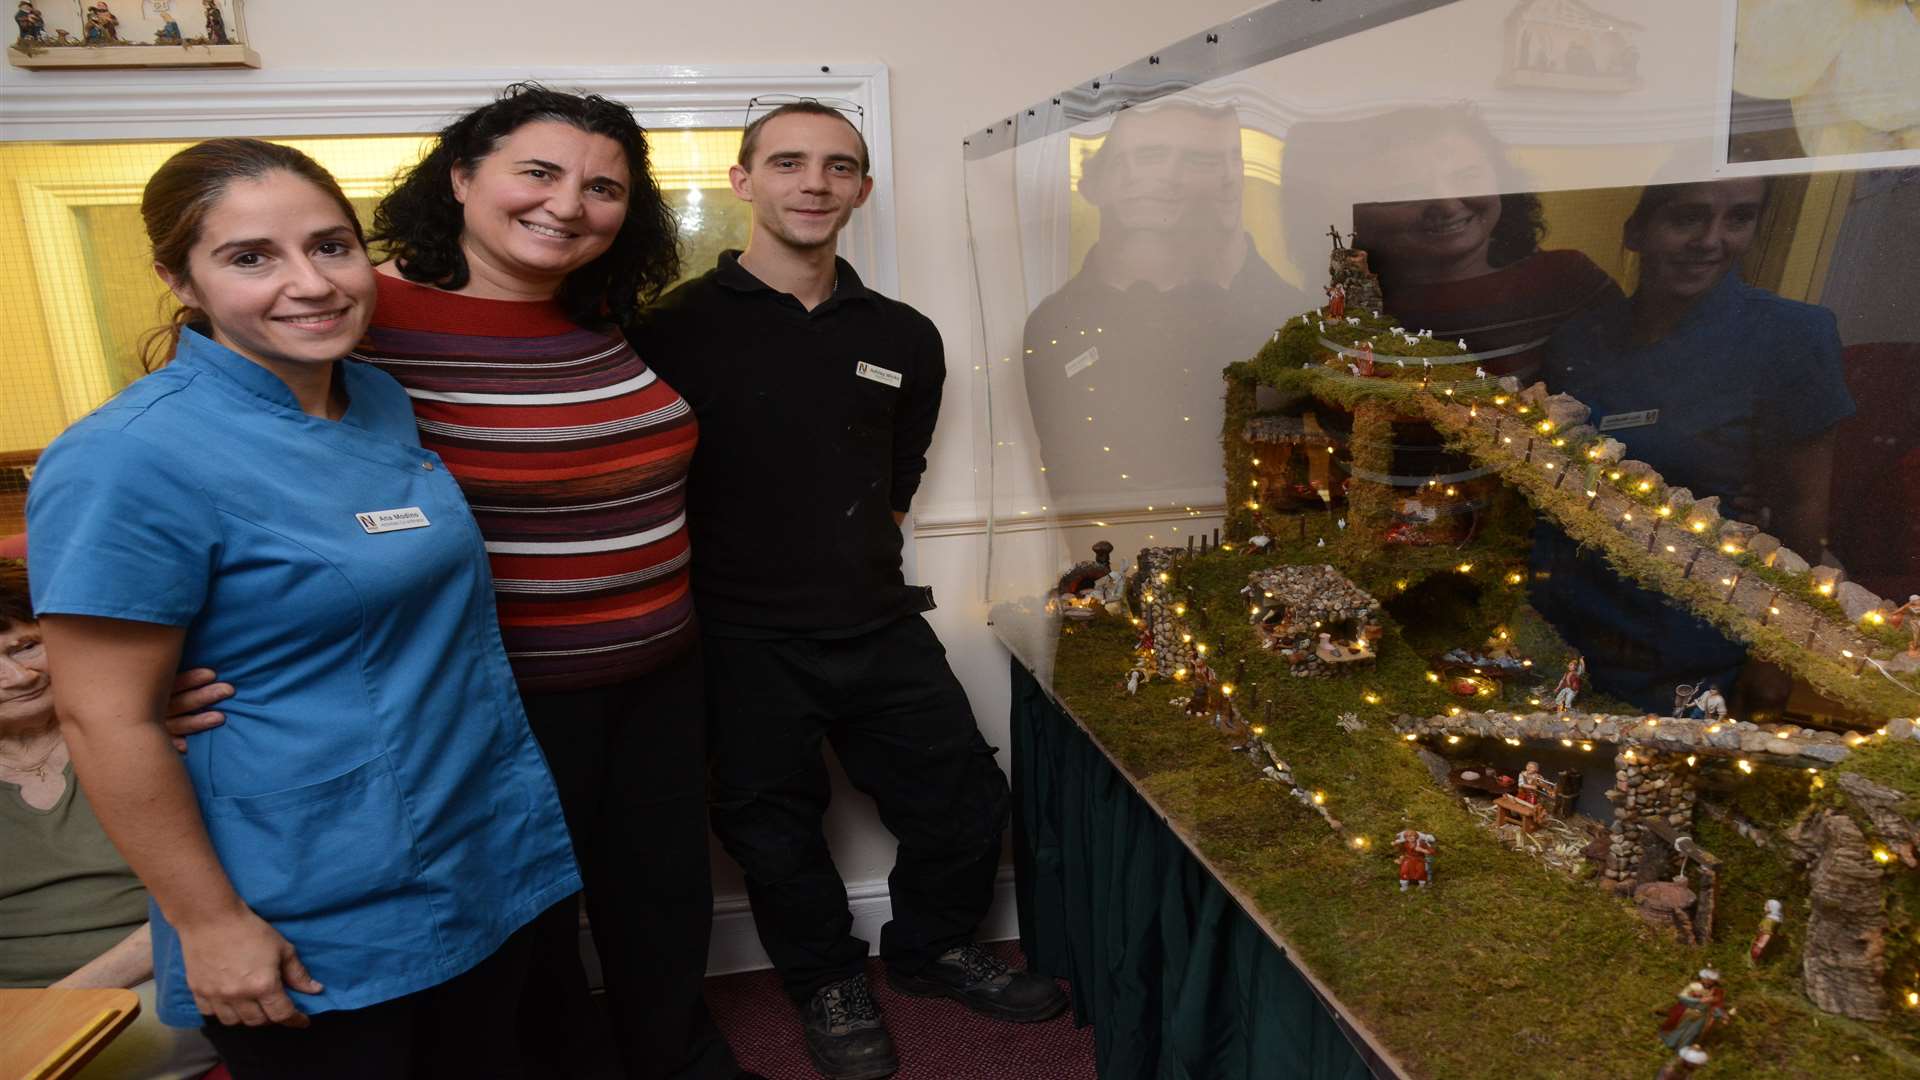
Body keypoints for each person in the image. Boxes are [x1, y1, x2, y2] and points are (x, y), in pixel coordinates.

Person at [171, 84, 750, 1080]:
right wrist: (164, 666)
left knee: (660, 897)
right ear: (462, 179)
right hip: (497, 693)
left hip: (658, 670)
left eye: (603, 187)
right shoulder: (353, 310)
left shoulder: (603, 311)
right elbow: (207, 465)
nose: (568, 205)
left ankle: (678, 1060)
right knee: (524, 928)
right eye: (538, 172)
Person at [26, 138, 581, 1079]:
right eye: (251, 257)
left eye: (331, 246)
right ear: (180, 278)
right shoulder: (126, 457)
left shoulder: (373, 397)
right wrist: (209, 925)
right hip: (307, 885)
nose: (311, 283)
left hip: (471, 836)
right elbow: (100, 713)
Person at [630, 100, 1067, 1080]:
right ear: (743, 182)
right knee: (772, 831)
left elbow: (897, 473)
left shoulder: (904, 335)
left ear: (862, 191)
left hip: (876, 623)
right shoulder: (668, 331)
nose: (813, 183)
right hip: (738, 639)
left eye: (837, 167)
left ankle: (931, 949)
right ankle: (826, 981)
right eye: (788, 163)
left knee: (961, 800)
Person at [1534, 178, 1854, 711]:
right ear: (1636, 230)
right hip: (1565, 617)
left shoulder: (1791, 335)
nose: (1711, 239)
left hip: (1689, 634)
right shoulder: (1581, 337)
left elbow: (1803, 509)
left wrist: (1777, 656)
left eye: (1739, 218)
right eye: (1686, 218)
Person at [1020, 99, 1306, 514]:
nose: (1159, 178)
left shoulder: (1287, 318)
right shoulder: (1053, 325)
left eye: (1195, 161)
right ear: (1096, 181)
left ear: (1232, 176)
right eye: (1147, 157)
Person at [0, 560, 221, 1080]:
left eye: (26, 646)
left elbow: (206, 901)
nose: (17, 677)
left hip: (148, 984)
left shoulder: (156, 732)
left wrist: (54, 1008)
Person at [1280, 106, 1621, 382]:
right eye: (1409, 190)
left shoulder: (1568, 282)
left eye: (1466, 176)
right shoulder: (1346, 313)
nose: (1446, 204)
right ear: (1353, 215)